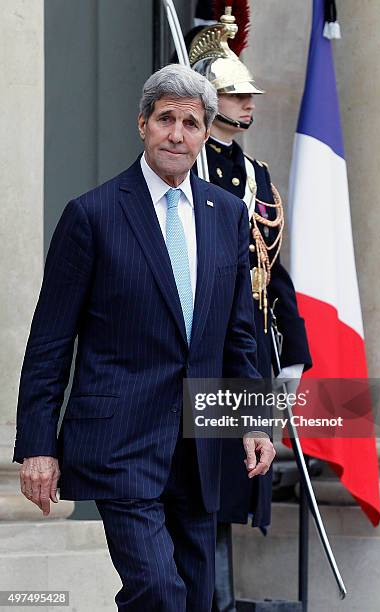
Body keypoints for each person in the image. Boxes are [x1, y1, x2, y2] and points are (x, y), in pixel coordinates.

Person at [13, 64, 276, 612]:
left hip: (201, 442)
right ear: (142, 124)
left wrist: (252, 420)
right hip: (121, 442)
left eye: (190, 122)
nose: (176, 134)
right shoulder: (92, 215)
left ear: (206, 132)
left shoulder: (227, 214)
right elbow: (50, 343)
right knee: (158, 591)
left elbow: (238, 333)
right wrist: (39, 445)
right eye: (165, 120)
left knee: (197, 597)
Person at [189, 9, 312, 611]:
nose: (249, 103)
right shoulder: (190, 168)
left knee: (244, 478)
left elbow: (274, 267)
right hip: (206, 341)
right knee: (205, 480)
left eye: (248, 94)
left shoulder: (257, 174)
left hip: (252, 341)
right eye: (235, 93)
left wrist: (295, 350)